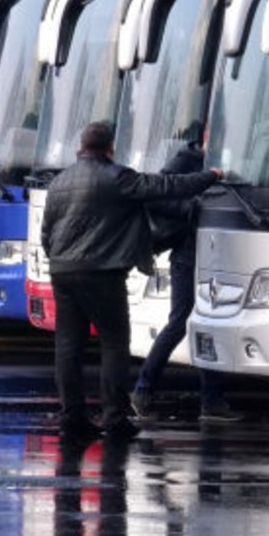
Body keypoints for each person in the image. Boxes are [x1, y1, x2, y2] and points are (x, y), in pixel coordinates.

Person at [41, 122, 222, 438]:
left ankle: (72, 416)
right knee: (114, 343)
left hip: (62, 271)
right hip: (101, 272)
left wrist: (60, 260)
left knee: (68, 347)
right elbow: (166, 187)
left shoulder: (60, 182)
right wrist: (211, 176)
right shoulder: (117, 177)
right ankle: (114, 416)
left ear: (81, 148)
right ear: (110, 149)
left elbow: (47, 232)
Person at [131, 143, 242, 424]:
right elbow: (155, 195)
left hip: (215, 251)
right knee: (181, 321)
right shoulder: (189, 157)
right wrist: (190, 209)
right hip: (188, 254)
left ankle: (211, 399)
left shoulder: (231, 155)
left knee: (209, 320)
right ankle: (143, 389)